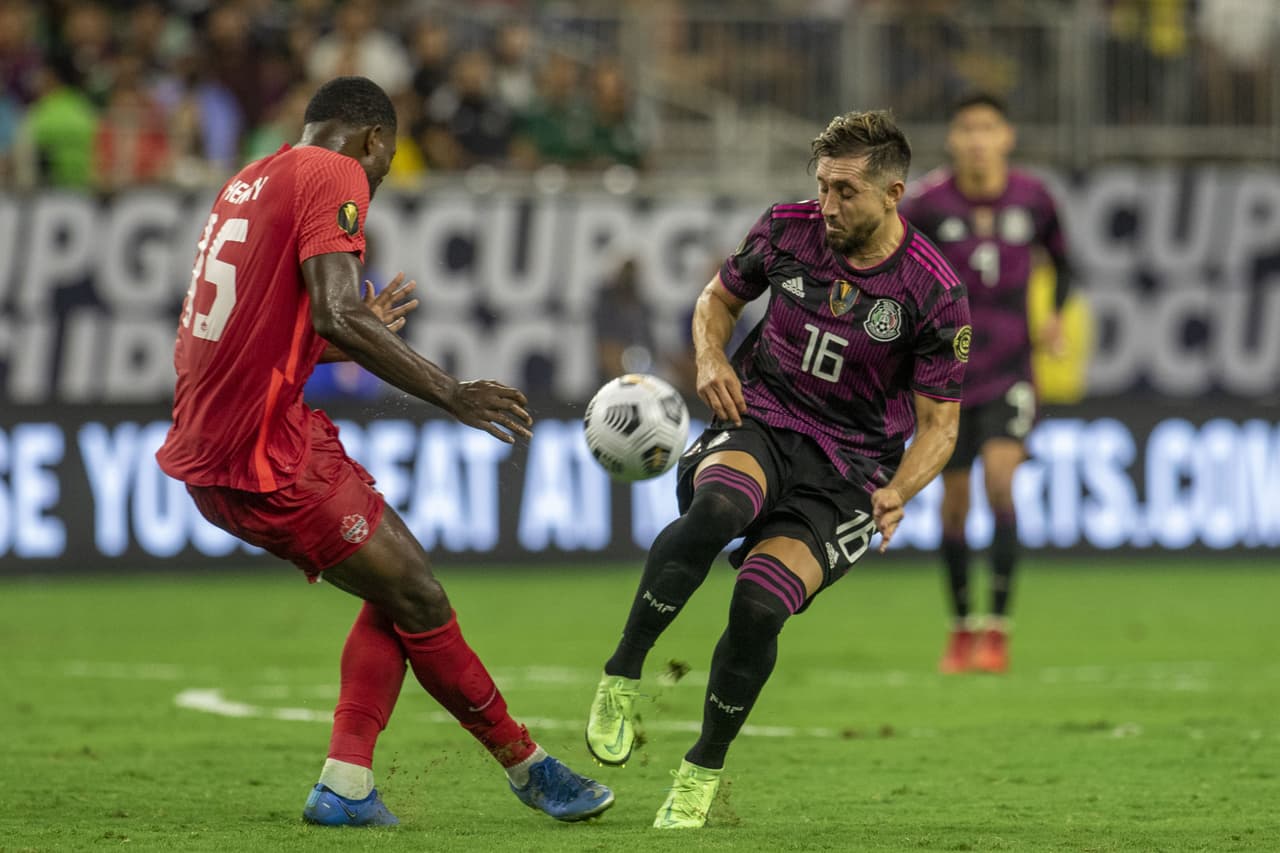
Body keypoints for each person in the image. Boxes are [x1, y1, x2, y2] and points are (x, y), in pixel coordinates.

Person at [155, 76, 613, 828]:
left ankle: (347, 782)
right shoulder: (334, 171)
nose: (380, 176)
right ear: (372, 140)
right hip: (266, 457)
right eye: (389, 159)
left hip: (215, 444)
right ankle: (529, 767)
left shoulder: (251, 176)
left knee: (396, 588)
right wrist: (451, 391)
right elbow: (334, 314)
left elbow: (268, 330)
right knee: (419, 597)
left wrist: (336, 328)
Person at [584, 110, 970, 828]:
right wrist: (708, 355)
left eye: (846, 191)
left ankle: (701, 766)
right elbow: (718, 298)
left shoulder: (933, 291)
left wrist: (898, 490)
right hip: (762, 417)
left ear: (893, 192)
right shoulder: (787, 229)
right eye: (822, 186)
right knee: (720, 509)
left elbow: (941, 425)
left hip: (850, 472)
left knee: (760, 605)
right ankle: (624, 672)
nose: (828, 205)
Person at [899, 93, 1072, 675]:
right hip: (945, 375)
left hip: (1010, 370)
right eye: (966, 128)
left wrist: (1053, 315)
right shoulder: (924, 204)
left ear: (1007, 137)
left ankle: (996, 629)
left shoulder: (1035, 199)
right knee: (953, 505)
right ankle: (960, 626)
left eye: (987, 128)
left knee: (1001, 480)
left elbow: (1065, 262)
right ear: (952, 139)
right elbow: (894, 266)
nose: (977, 139)